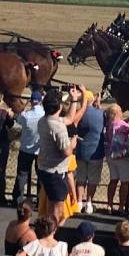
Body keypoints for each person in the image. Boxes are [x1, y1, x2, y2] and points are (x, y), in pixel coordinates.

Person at [36, 88, 84, 225]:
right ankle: (52, 235)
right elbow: (67, 152)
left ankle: (48, 233)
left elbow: (69, 119)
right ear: (59, 106)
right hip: (56, 172)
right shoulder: (58, 127)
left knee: (50, 206)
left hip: (45, 168)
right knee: (58, 209)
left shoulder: (43, 121)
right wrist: (72, 143)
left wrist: (74, 99)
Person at [105, 103, 129, 216]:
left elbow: (122, 123)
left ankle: (109, 205)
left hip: (111, 156)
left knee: (113, 181)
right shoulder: (121, 124)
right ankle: (121, 207)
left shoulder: (110, 124)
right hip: (122, 157)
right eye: (120, 111)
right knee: (124, 183)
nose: (122, 112)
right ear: (116, 113)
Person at [75, 91, 105, 214]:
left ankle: (78, 202)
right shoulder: (101, 114)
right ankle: (89, 203)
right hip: (96, 151)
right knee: (93, 179)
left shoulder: (79, 114)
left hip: (81, 150)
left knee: (81, 178)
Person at [14, 90, 45, 203]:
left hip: (25, 149)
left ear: (31, 102)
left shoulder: (26, 116)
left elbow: (17, 118)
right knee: (41, 175)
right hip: (39, 150)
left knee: (22, 174)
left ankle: (19, 197)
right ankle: (40, 198)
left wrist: (24, 106)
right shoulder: (43, 115)